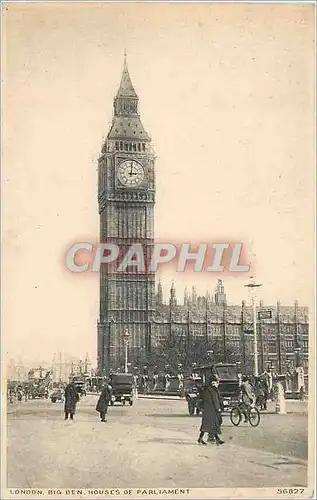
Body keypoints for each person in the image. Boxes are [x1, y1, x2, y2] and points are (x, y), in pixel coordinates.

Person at [198, 375, 224, 445]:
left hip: (209, 410)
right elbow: (215, 400)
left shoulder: (211, 389)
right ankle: (201, 439)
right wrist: (217, 408)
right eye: (213, 383)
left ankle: (202, 439)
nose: (214, 384)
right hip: (210, 410)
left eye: (215, 382)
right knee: (209, 425)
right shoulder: (212, 390)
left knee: (211, 425)